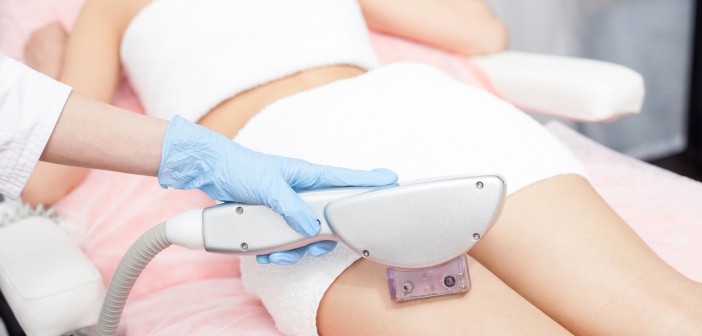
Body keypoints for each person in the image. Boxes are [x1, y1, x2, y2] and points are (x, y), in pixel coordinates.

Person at [22, 0, 702, 335]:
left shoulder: (106, 6)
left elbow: (481, 32)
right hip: (350, 146)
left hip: (358, 140)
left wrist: (48, 55)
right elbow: (481, 32)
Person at [0, 53, 397, 260]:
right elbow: (43, 175)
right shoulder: (111, 5)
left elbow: (462, 24)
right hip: (280, 146)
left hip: (404, 104)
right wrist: (48, 65)